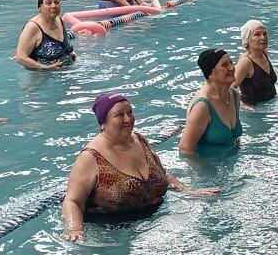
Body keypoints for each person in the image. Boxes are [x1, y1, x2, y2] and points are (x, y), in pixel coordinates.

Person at [61, 92, 218, 242]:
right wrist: (75, 229)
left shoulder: (140, 140)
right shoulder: (90, 158)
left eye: (130, 112)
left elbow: (163, 174)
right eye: (119, 115)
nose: (128, 119)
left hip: (157, 224)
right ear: (103, 123)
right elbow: (73, 201)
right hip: (112, 233)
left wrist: (186, 190)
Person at [180, 49, 244, 155]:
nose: (232, 68)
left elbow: (234, 138)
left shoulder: (234, 95)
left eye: (231, 63)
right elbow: (185, 149)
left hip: (230, 163)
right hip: (208, 167)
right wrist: (204, 169)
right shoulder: (202, 106)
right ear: (210, 73)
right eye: (224, 65)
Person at [15, 0, 76, 70]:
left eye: (56, 2)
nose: (54, 6)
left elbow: (64, 45)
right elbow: (20, 58)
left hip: (66, 71)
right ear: (40, 7)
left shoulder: (59, 19)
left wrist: (71, 53)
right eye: (48, 3)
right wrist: (45, 67)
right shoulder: (32, 27)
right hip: (41, 75)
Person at [233, 19, 278, 105]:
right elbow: (228, 89)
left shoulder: (264, 53)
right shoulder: (245, 62)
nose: (263, 37)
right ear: (247, 39)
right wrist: (242, 105)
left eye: (265, 34)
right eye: (257, 34)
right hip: (253, 112)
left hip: (270, 107)